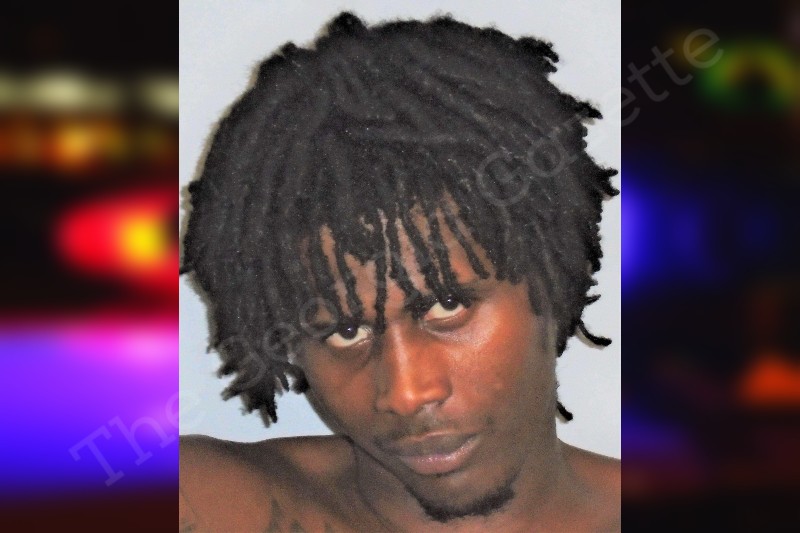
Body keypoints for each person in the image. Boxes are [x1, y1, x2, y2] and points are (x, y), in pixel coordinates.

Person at [180, 11, 619, 532]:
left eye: (447, 305)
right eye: (346, 331)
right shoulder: (210, 504)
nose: (407, 394)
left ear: (558, 280)